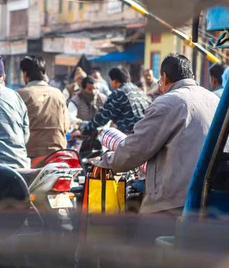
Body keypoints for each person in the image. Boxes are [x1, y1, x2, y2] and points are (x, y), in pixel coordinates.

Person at [96, 54, 219, 217]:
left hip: (173, 201)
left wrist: (105, 162)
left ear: (164, 76)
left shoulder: (167, 102)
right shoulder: (214, 99)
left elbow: (134, 150)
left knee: (141, 239)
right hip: (212, 197)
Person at [17, 56, 69, 159]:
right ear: (43, 73)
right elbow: (66, 126)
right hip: (58, 152)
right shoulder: (58, 94)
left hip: (29, 154)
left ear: (25, 73)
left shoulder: (19, 95)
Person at [83, 67, 150, 134]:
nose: (110, 84)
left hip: (131, 136)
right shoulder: (138, 90)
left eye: (110, 81)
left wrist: (86, 129)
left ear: (115, 81)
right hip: (146, 131)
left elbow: (103, 116)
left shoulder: (119, 93)